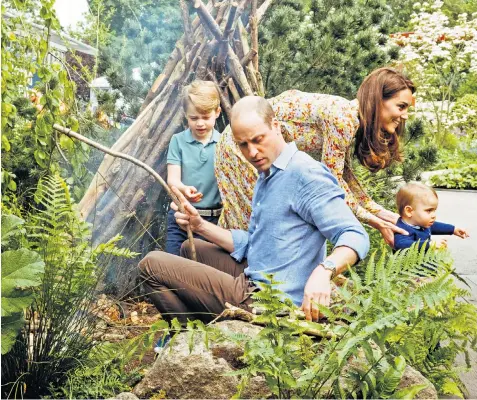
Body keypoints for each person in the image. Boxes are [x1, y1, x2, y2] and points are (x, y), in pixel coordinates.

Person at [139, 96, 369, 325]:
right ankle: (206, 325)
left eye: (258, 140)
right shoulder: (268, 173)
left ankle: (191, 334)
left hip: (270, 300)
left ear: (276, 127)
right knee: (190, 247)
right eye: (243, 145)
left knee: (150, 264)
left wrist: (324, 271)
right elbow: (257, 244)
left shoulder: (305, 174)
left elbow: (355, 235)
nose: (252, 152)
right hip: (260, 273)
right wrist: (199, 225)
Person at [216, 67, 416, 247]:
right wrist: (373, 220)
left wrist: (380, 213)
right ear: (378, 100)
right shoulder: (343, 118)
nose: (405, 115)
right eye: (401, 106)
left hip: (250, 145)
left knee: (246, 219)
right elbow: (333, 184)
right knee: (254, 223)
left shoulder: (350, 118)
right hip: (239, 144)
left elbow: (345, 176)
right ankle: (249, 283)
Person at [165, 80, 223, 256]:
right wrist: (183, 189)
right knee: (174, 266)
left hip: (214, 221)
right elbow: (172, 179)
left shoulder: (224, 144)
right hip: (181, 217)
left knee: (204, 273)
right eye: (194, 118)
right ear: (185, 115)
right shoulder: (178, 141)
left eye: (206, 117)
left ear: (217, 113)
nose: (200, 123)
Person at [394, 182, 469, 251]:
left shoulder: (420, 223)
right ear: (409, 211)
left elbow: (434, 226)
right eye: (429, 210)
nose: (433, 215)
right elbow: (401, 245)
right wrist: (428, 244)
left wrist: (453, 229)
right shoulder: (403, 230)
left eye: (434, 211)